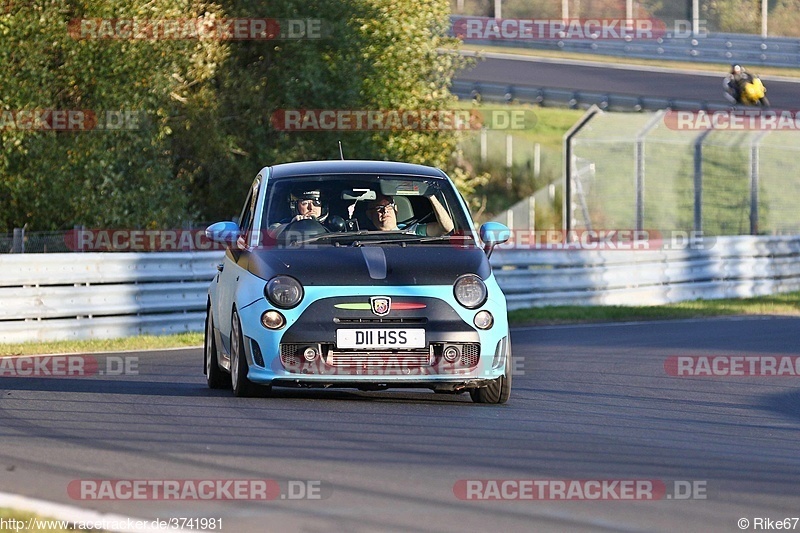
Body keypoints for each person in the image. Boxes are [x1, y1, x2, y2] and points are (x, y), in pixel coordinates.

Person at [365, 192, 454, 237]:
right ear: (369, 214)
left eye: (388, 206)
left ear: (396, 209)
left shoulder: (413, 230)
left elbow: (447, 228)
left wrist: (431, 196)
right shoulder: (362, 237)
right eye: (379, 208)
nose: (385, 211)